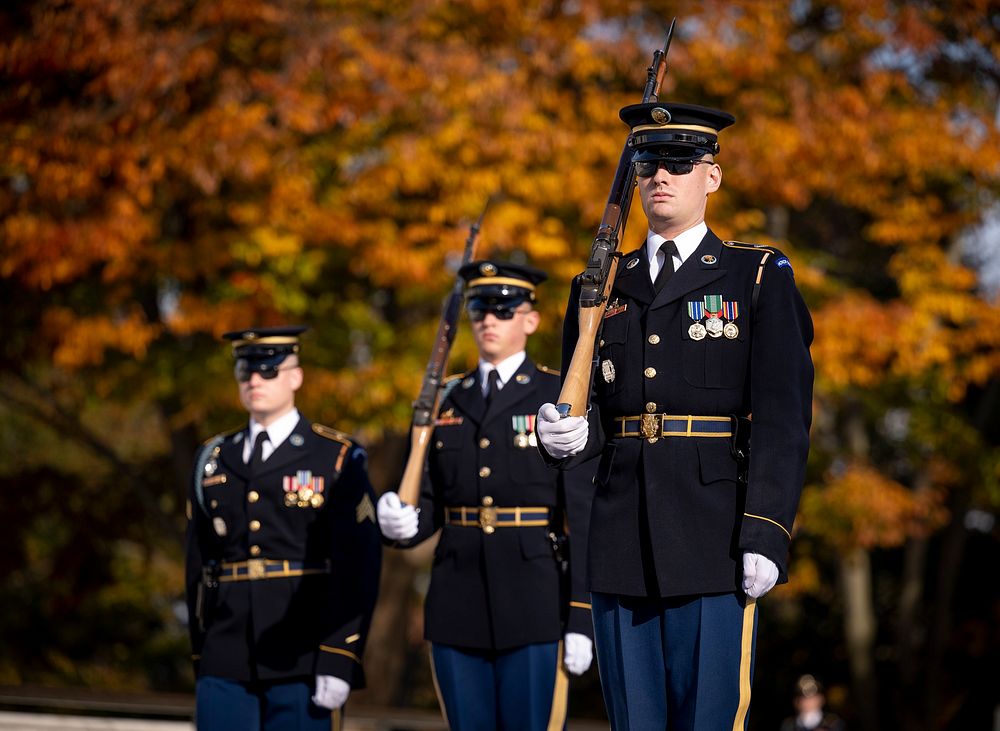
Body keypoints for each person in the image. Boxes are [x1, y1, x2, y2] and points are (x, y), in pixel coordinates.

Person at [536, 100, 814, 730]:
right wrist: (559, 435)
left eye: (680, 161)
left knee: (708, 720)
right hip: (620, 540)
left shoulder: (756, 276)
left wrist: (767, 529)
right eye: (648, 162)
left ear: (711, 176)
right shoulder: (601, 286)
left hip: (714, 539)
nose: (661, 176)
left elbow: (782, 417)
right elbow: (587, 416)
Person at [376, 261, 597, 731]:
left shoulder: (557, 395)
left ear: (530, 320)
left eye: (504, 309)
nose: (490, 320)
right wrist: (403, 524)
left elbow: (581, 513)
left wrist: (581, 615)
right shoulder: (447, 398)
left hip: (535, 602)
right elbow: (432, 501)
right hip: (457, 602)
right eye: (480, 309)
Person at [184, 326, 381, 731]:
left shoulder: (336, 455)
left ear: (295, 377)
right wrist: (201, 652)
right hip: (227, 650)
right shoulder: (213, 458)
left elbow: (359, 564)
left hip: (304, 648)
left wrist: (339, 654)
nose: (255, 379)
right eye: (245, 370)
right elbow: (198, 564)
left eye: (269, 371)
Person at [780, 674, 846, 731]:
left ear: (821, 699)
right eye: (804, 699)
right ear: (796, 701)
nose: (808, 702)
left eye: (812, 698)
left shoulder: (832, 722)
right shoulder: (789, 725)